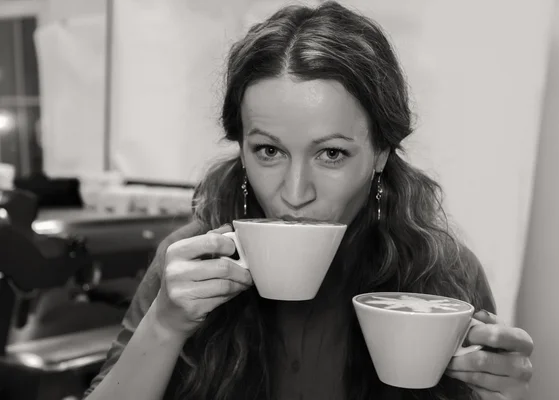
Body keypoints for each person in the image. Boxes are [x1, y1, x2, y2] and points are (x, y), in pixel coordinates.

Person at [84, 2, 533, 400]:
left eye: (331, 153)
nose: (295, 194)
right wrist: (163, 326)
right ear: (241, 148)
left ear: (380, 152)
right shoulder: (189, 263)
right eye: (269, 151)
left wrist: (502, 394)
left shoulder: (444, 274)